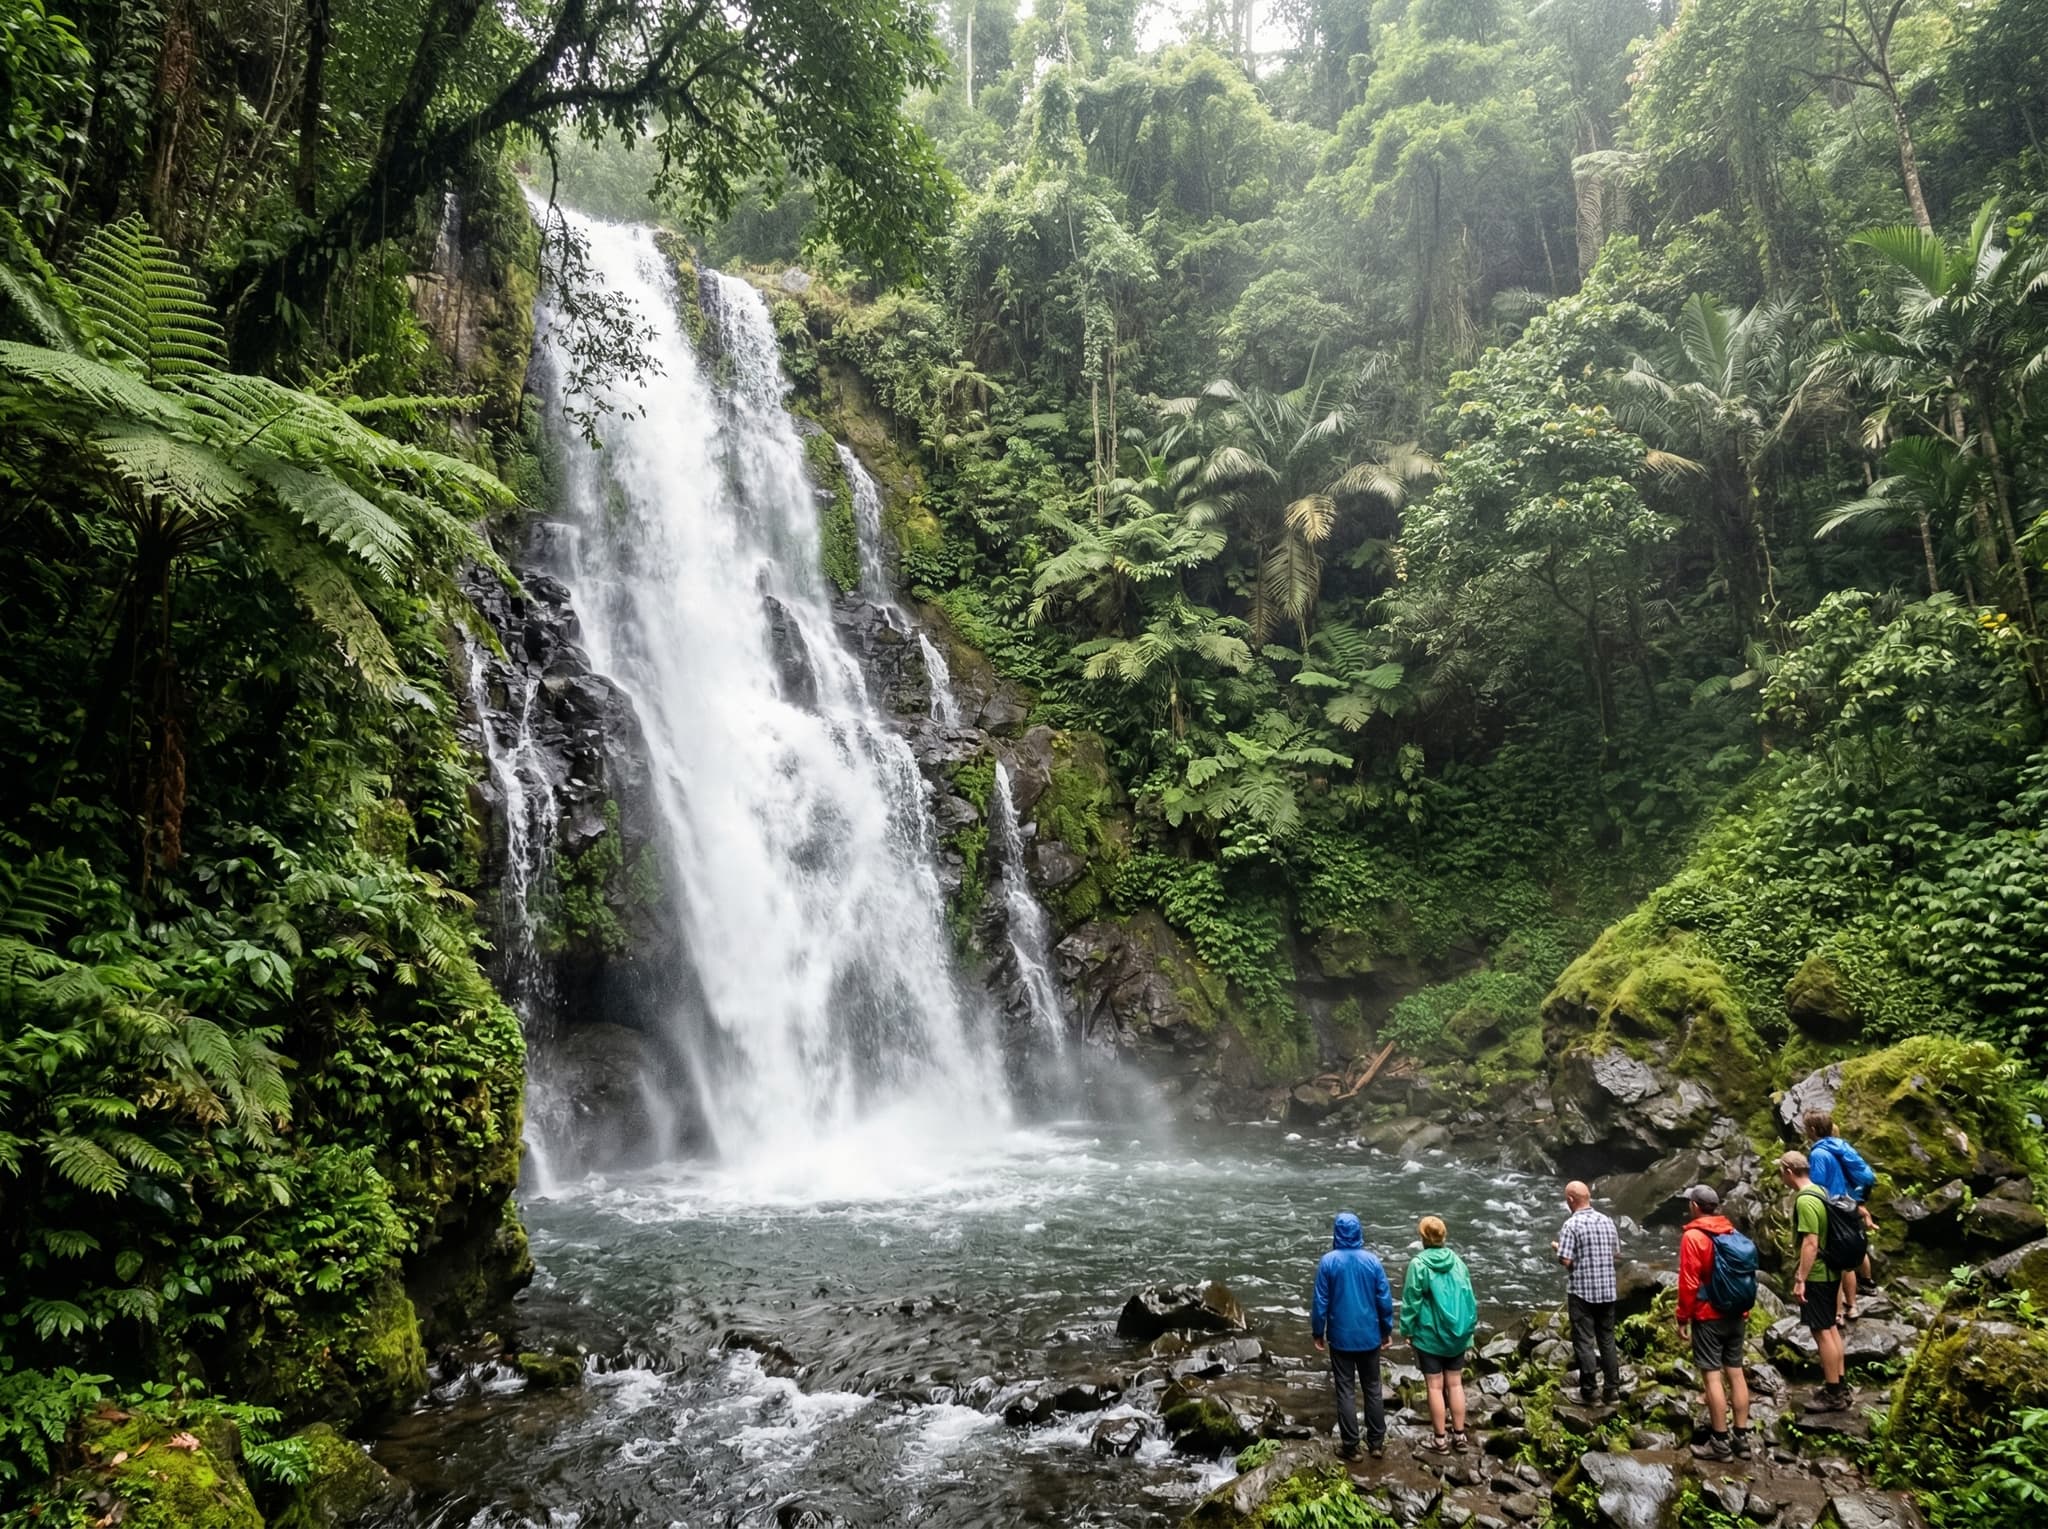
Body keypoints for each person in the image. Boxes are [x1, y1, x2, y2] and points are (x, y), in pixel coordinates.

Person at [1675, 1185, 1756, 1461]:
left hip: (1709, 1316)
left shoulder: (1694, 1237)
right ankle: (1741, 1439)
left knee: (1712, 1377)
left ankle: (1719, 1443)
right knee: (1736, 1373)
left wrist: (1682, 1317)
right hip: (1737, 1314)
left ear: (1696, 1206)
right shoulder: (1731, 1231)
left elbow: (1688, 1282)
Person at [1312, 1211, 1396, 1460]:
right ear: (1359, 1232)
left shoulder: (1328, 1262)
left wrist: (1318, 1331)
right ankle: (1377, 1443)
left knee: (1345, 1389)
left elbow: (1320, 1302)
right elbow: (1384, 1299)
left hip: (1340, 1337)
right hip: (1369, 1335)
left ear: (1336, 1233)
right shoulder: (1372, 1262)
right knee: (1373, 1388)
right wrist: (1386, 1329)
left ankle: (1351, 1446)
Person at [1399, 1215, 1479, 1455]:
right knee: (1455, 1383)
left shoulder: (1419, 1264)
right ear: (1444, 1237)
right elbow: (1469, 1296)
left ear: (1423, 1238)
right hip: (1458, 1334)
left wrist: (1407, 1329)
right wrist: (1469, 1328)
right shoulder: (1457, 1261)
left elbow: (1411, 1300)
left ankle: (1440, 1440)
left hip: (1430, 1334)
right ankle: (1460, 1435)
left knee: (1434, 1386)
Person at [1781, 1150, 1854, 1412]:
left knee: (1821, 1331)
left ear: (1789, 1172)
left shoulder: (1804, 1201)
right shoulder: (1821, 1191)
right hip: (1832, 1269)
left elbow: (1810, 1243)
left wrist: (1801, 1278)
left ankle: (1833, 1393)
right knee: (1831, 1328)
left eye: (1782, 1173)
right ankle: (1840, 1385)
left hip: (1818, 1274)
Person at [1803, 1109, 1878, 1320]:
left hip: (1832, 1209)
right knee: (1846, 1263)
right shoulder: (1838, 1146)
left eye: (1806, 1127)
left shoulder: (1819, 1153)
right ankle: (1852, 1306)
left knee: (1833, 1262)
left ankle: (1837, 1313)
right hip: (1847, 1204)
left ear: (1814, 1129)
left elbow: (1817, 1186)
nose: (1804, 1130)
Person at [1553, 1181, 1623, 1405]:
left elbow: (1566, 1260)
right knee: (1607, 1339)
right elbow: (1615, 1254)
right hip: (1607, 1291)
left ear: (1571, 1200)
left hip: (1582, 1292)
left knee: (1584, 1341)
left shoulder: (1571, 1225)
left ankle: (1589, 1391)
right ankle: (1612, 1390)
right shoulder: (1607, 1221)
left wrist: (1557, 1249)